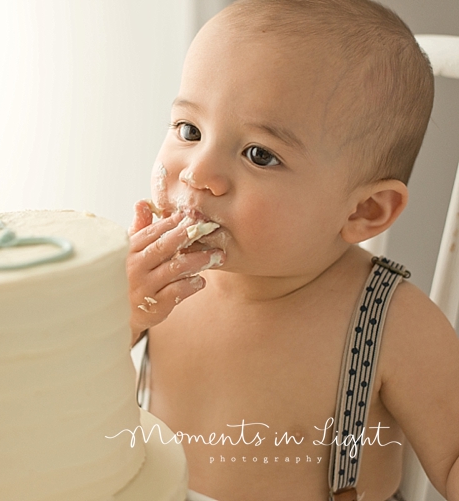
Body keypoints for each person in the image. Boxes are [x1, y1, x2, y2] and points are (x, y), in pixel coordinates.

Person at [126, 1, 459, 500]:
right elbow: (65, 391)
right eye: (189, 130)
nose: (197, 173)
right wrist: (119, 315)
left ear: (363, 212)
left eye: (260, 155)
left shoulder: (392, 321)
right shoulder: (152, 283)